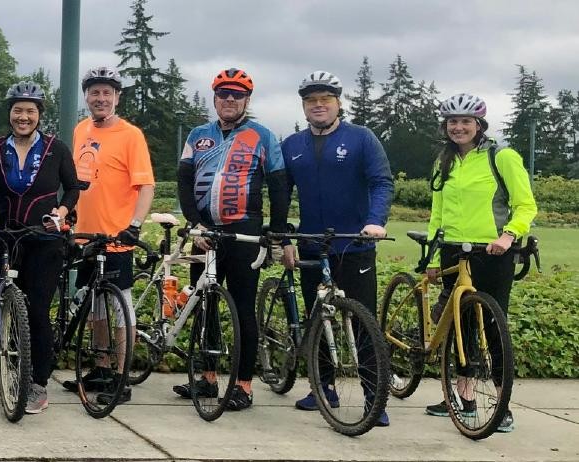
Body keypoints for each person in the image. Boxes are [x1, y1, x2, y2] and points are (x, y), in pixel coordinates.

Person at [278, 71, 394, 426]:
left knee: (363, 321)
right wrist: (284, 237)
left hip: (354, 243)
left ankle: (375, 398)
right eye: (311, 100)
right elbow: (282, 194)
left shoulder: (361, 138)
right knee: (318, 318)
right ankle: (322, 388)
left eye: (325, 99)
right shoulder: (292, 145)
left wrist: (375, 221)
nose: (318, 105)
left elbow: (381, 182)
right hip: (311, 243)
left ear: (337, 102)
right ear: (304, 105)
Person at [173, 68, 290, 411]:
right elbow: (183, 181)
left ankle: (243, 385)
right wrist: (193, 224)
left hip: (244, 231)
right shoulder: (198, 135)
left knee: (242, 308)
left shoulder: (262, 135)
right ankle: (208, 379)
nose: (229, 100)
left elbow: (279, 186)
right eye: (223, 94)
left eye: (236, 95)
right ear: (215, 98)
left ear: (246, 101)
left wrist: (276, 232)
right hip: (205, 232)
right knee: (203, 303)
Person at [422, 93, 535, 433]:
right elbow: (437, 212)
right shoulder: (444, 161)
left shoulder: (502, 157)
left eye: (465, 122)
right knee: (461, 325)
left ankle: (503, 405)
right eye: (452, 122)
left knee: (493, 327)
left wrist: (509, 235)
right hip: (453, 249)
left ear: (479, 125)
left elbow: (525, 204)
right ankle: (464, 397)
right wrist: (430, 253)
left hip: (493, 252)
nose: (458, 127)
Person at [0, 82, 83, 415]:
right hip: (9, 235)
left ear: (39, 115)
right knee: (6, 300)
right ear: (10, 114)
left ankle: (38, 382)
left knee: (37, 311)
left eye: (30, 111)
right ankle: (4, 351)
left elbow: (73, 188)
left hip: (45, 238)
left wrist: (61, 214)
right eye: (18, 110)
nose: (23, 117)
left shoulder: (56, 148)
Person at [60, 66, 156, 406]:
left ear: (117, 97)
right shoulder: (81, 130)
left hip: (116, 237)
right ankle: (100, 368)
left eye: (107, 93)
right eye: (95, 92)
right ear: (86, 96)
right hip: (87, 236)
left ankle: (120, 375)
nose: (100, 98)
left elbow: (146, 185)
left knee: (119, 308)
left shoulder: (131, 135)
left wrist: (135, 224)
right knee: (94, 307)